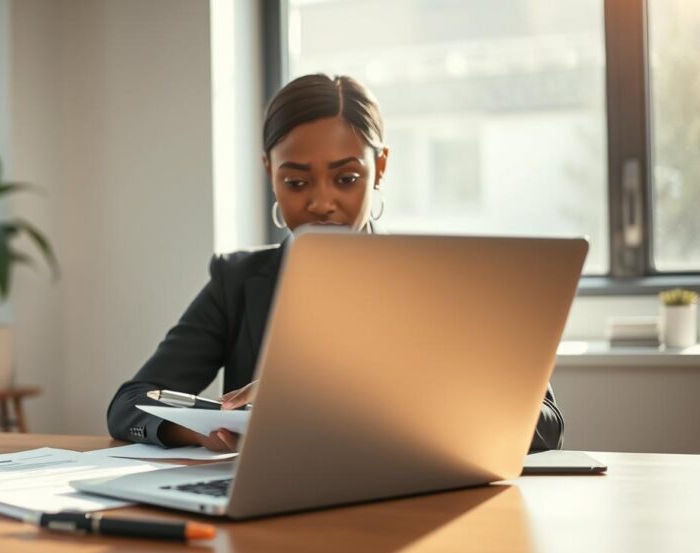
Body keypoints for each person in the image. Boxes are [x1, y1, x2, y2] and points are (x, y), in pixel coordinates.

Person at [106, 73, 564, 453]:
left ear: (380, 167)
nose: (322, 203)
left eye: (346, 178)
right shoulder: (238, 280)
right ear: (269, 172)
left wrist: (350, 398)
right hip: (270, 513)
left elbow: (544, 425)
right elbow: (129, 404)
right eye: (297, 182)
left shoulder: (439, 278)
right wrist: (206, 431)